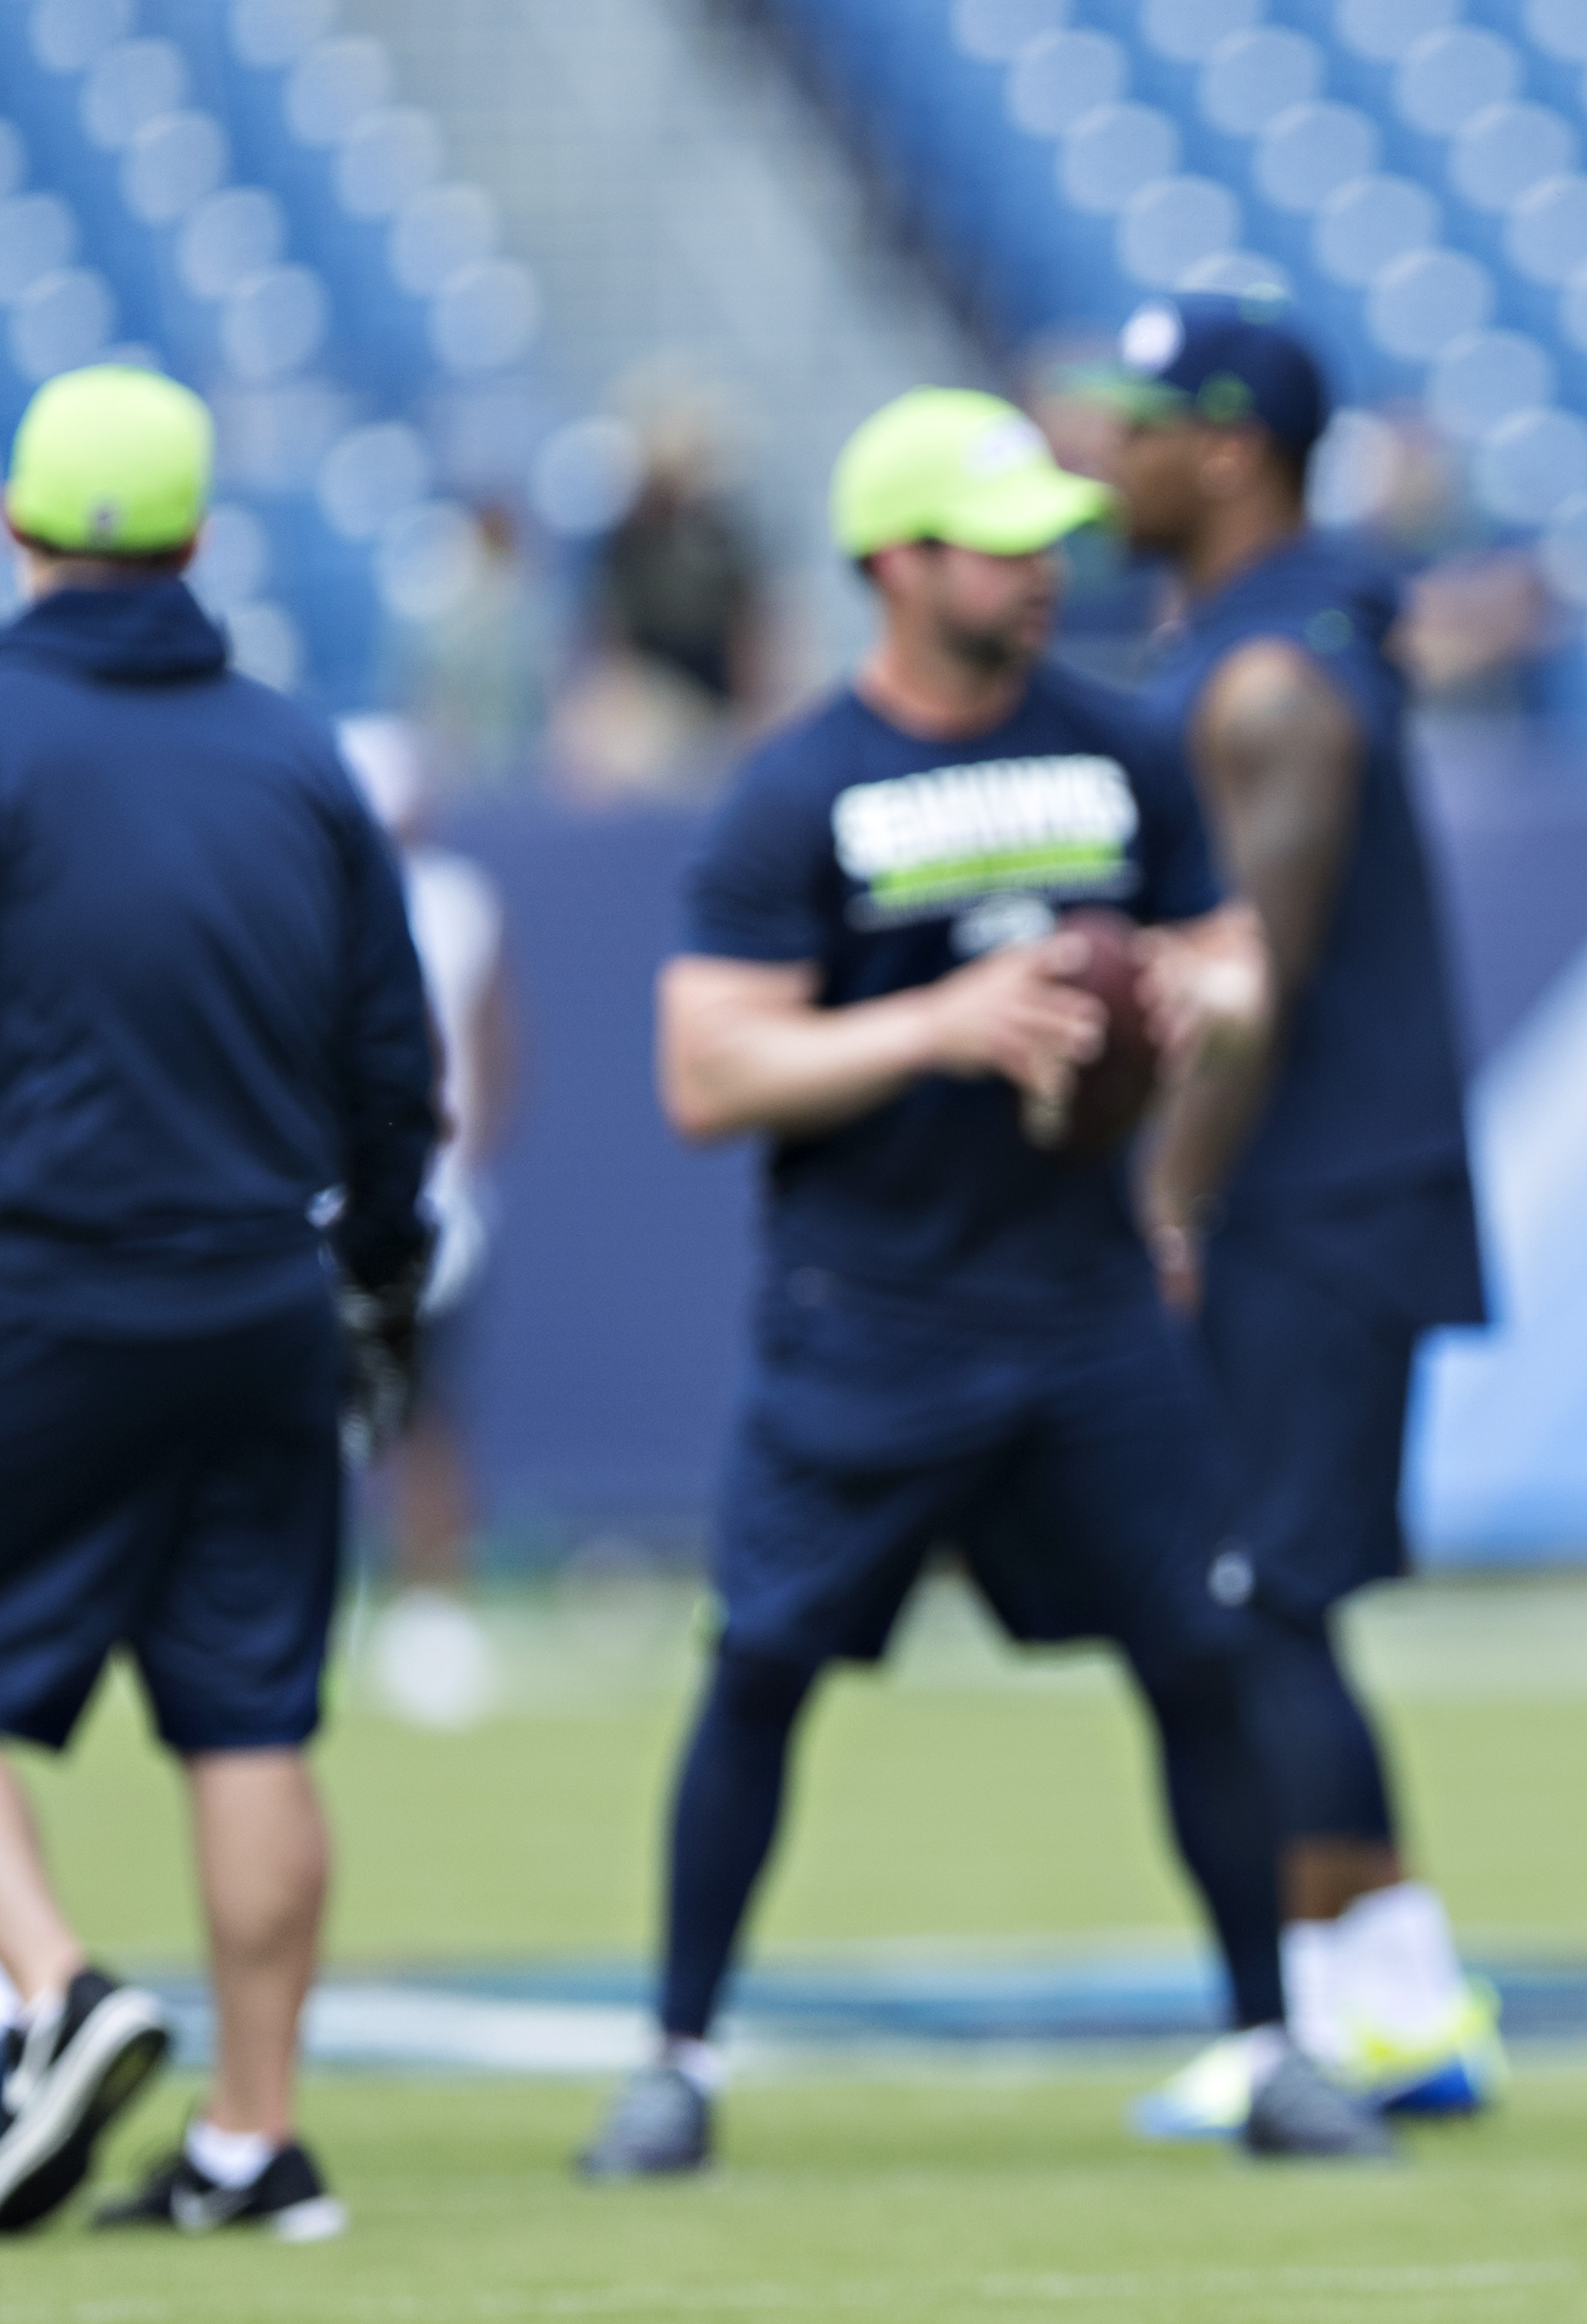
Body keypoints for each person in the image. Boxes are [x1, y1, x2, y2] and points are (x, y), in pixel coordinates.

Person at [571, 387, 1386, 2178]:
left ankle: (1268, 2044)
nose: (1035, 570)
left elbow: (1241, 962)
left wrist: (1173, 998)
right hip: (867, 1311)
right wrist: (943, 1023)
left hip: (1087, 1304)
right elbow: (708, 1073)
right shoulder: (797, 787)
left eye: (1042, 540)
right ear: (894, 559)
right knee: (764, 1666)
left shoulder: (1124, 743)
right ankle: (677, 2058)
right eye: (995, 543)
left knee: (1202, 1652)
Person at [0, 365, 441, 2239]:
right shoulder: (293, 749)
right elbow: (389, 1051)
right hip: (267, 1287)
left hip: (40, 1282)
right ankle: (254, 2146)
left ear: (23, 528)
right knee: (250, 1714)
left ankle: (54, 1990)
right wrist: (381, 1269)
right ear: (194, 537)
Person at [1096, 295, 1501, 2133]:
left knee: (1258, 1595)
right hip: (1311, 1189)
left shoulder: (1275, 673)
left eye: (1140, 418)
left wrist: (1165, 1204)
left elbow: (1252, 975)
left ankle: (1349, 2009)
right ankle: (1385, 1992)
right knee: (1266, 1600)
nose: (1104, 451)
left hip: (1303, 1196)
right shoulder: (1270, 634)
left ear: (1231, 441)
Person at [338, 716, 518, 1732]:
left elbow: (492, 1052)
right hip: (332, 1195)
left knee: (429, 1408)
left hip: (424, 1197)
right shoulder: (311, 901)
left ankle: (432, 1607)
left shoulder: (456, 901)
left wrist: (458, 1168)